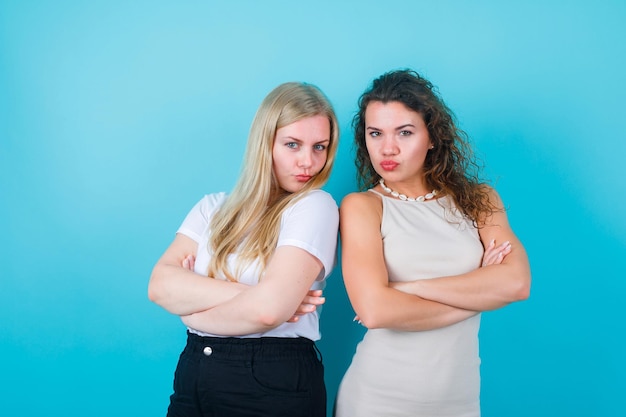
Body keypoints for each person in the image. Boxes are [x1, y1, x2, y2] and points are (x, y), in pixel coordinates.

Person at [334, 69, 531, 417]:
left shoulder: (479, 200)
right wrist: (479, 294)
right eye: (375, 133)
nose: (387, 148)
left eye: (405, 132)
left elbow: (516, 284)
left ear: (432, 137)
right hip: (376, 400)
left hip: (460, 403)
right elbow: (376, 311)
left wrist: (408, 288)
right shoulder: (363, 206)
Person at [148, 81, 340, 417]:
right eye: (293, 144)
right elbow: (160, 286)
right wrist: (253, 294)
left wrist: (191, 311)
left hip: (272, 381)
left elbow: (267, 312)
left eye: (320, 147)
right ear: (264, 142)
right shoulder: (212, 208)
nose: (308, 162)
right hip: (195, 373)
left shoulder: (314, 206)